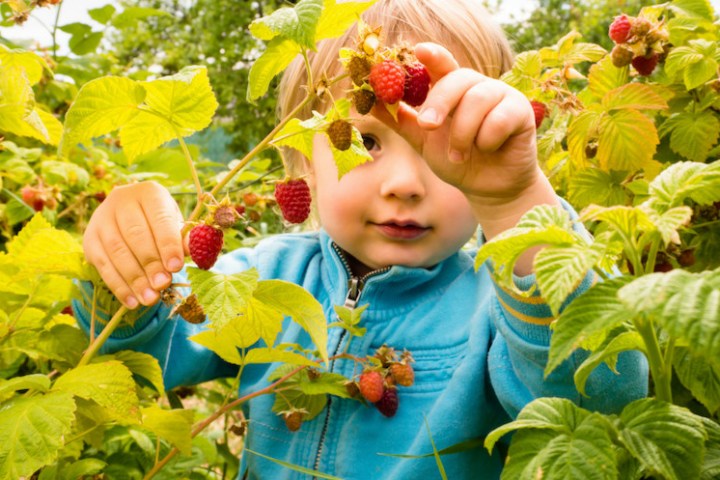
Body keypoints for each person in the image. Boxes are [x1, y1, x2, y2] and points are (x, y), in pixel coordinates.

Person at [74, 0, 648, 478]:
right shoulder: (267, 279)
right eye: (367, 142)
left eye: (441, 147)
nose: (403, 184)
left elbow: (600, 401)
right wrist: (127, 258)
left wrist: (516, 204)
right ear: (302, 162)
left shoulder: (500, 309)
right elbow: (145, 354)